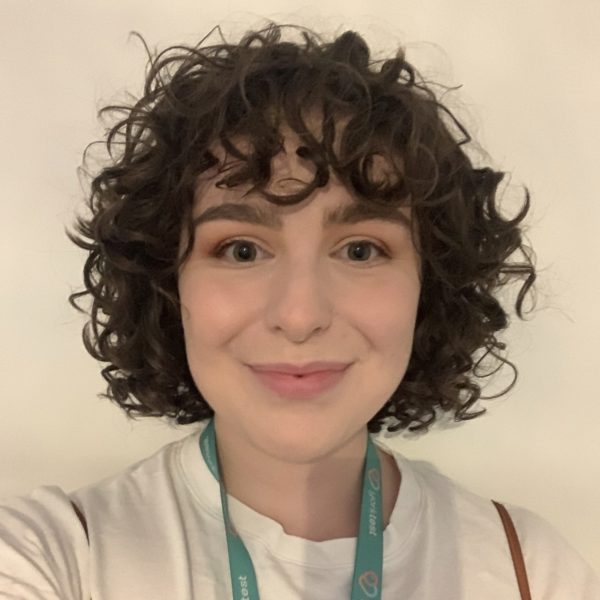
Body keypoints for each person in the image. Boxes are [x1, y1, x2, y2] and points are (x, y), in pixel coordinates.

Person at [0, 21, 598, 599]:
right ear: (166, 284)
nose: (300, 314)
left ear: (430, 287)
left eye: (361, 249)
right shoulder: (55, 557)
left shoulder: (531, 572)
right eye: (241, 249)